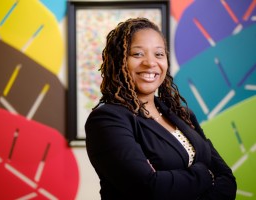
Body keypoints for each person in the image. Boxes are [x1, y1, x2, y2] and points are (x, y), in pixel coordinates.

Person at [85, 17, 236, 200]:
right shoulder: (107, 119)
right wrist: (206, 175)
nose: (150, 63)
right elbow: (148, 188)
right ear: (119, 61)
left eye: (159, 54)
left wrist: (172, 182)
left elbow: (227, 180)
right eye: (137, 54)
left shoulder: (183, 115)